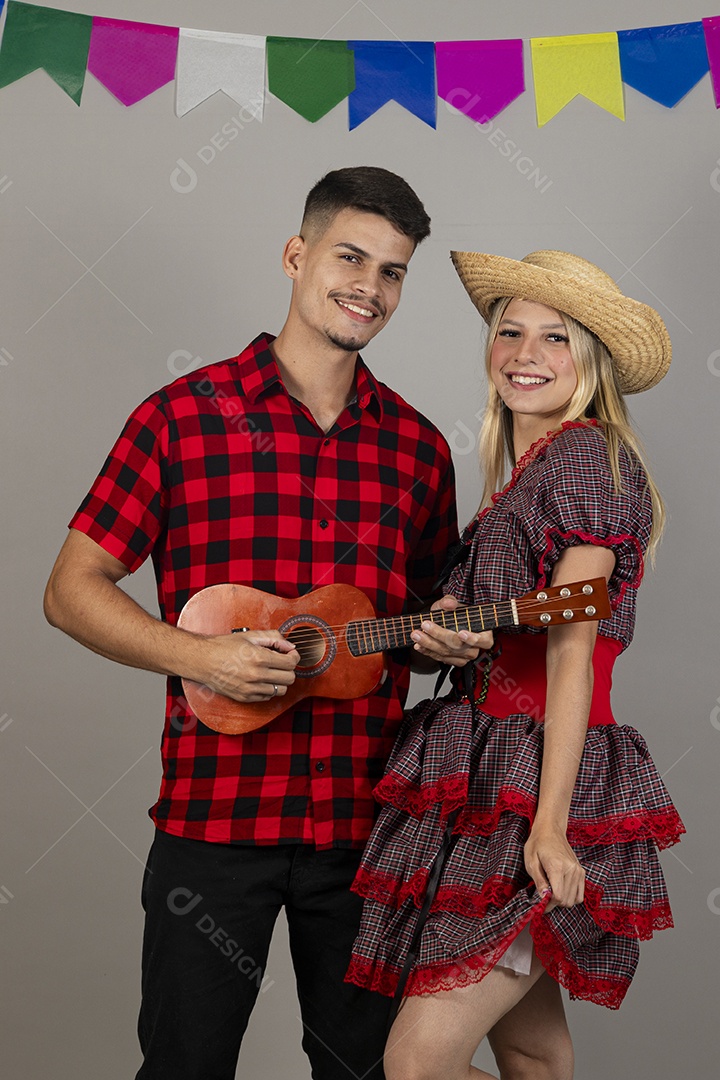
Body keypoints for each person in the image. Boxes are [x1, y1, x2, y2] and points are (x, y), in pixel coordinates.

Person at [42, 167, 485, 1080]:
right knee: (184, 1068)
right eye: (351, 256)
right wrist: (198, 655)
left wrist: (448, 632)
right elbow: (70, 588)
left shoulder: (417, 449)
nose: (370, 285)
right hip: (214, 824)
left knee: (364, 1072)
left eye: (394, 271)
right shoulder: (180, 417)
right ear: (296, 255)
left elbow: (429, 610)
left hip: (367, 833)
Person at [345, 250, 686, 1080]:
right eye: (511, 332)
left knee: (418, 1065)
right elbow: (515, 634)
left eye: (555, 339)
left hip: (535, 780)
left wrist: (551, 825)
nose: (525, 353)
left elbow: (574, 658)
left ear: (592, 364)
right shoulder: (525, 475)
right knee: (533, 1055)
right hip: (494, 768)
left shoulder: (583, 461)